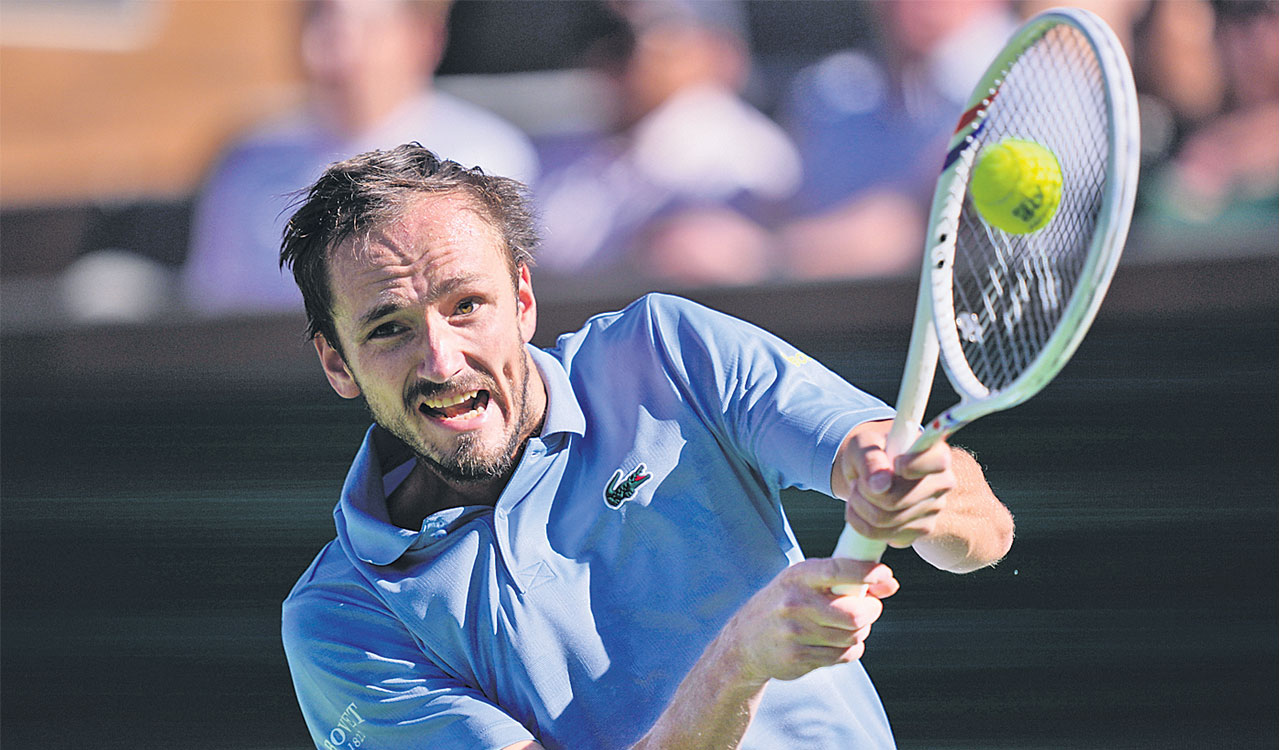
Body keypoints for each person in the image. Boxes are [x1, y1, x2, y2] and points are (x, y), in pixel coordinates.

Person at [279, 144, 1014, 749]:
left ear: (523, 301)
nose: (442, 362)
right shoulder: (341, 622)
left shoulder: (668, 351)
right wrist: (739, 662)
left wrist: (923, 500)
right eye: (389, 329)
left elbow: (984, 536)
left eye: (466, 305)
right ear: (337, 362)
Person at [181, 0, 538, 316]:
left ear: (422, 37)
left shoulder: (487, 157)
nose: (322, 52)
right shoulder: (247, 165)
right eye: (315, 21)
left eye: (360, 29)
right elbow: (213, 312)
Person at [534, 0, 801, 288]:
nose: (620, 51)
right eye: (607, 32)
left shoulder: (746, 148)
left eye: (649, 30)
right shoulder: (567, 148)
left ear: (718, 50)